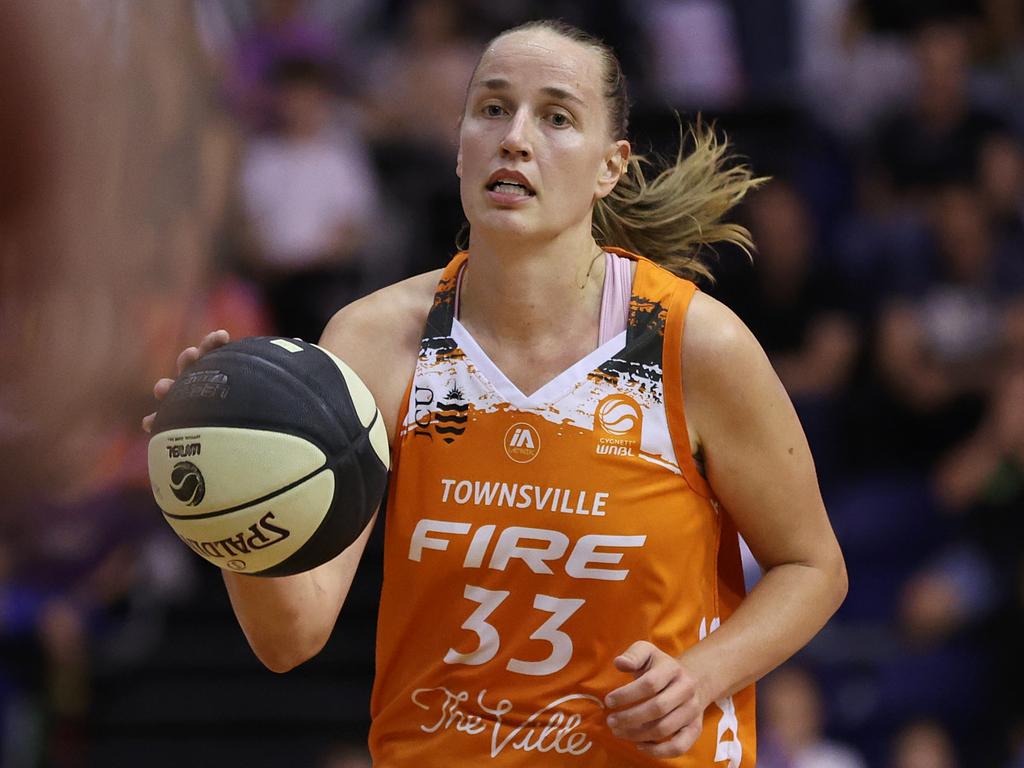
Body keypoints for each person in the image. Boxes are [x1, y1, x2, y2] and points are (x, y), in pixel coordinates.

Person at [145, 19, 847, 765]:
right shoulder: (375, 341)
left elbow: (813, 568)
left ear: (611, 167)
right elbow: (292, 635)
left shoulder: (695, 344)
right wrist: (229, 500)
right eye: (491, 108)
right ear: (459, 146)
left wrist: (703, 675)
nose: (515, 137)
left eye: (556, 117)